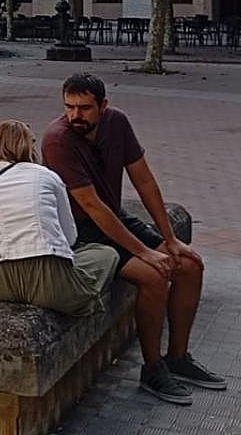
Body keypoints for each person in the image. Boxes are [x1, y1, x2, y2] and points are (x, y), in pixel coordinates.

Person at [42, 72, 225, 405]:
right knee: (154, 275)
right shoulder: (58, 139)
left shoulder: (117, 123)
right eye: (69, 107)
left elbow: (144, 180)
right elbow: (90, 205)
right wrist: (145, 253)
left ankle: (178, 357)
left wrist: (170, 239)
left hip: (114, 216)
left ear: (103, 106)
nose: (75, 115)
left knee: (189, 266)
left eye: (84, 108)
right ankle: (152, 369)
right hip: (80, 230)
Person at [0, 120, 118, 317]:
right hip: (49, 282)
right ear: (30, 145)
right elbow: (69, 237)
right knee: (107, 254)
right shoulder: (49, 177)